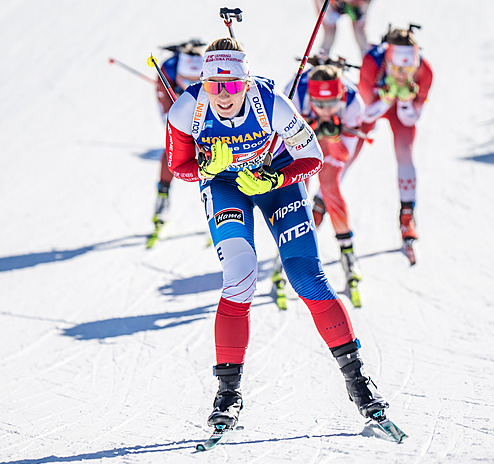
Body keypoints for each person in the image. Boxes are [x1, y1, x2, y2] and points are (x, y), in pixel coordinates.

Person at [165, 37, 389, 430]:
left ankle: (359, 383)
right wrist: (205, 167)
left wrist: (276, 176)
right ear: (203, 83)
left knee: (306, 276)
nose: (223, 95)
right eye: (214, 85)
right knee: (240, 276)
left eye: (232, 85)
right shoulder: (187, 108)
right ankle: (228, 393)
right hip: (224, 186)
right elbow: (178, 166)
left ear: (246, 82)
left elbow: (313, 156)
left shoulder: (270, 103)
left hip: (275, 180)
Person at [279, 59, 366, 307]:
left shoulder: (352, 103)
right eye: (320, 104)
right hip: (298, 139)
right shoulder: (295, 93)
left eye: (331, 104)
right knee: (297, 190)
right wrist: (312, 129)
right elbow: (283, 143)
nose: (326, 110)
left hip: (334, 145)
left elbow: (343, 155)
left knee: (330, 187)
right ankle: (286, 249)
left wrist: (335, 135)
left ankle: (348, 253)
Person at [344, 26, 433, 246]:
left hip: (398, 110)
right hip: (373, 104)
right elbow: (363, 112)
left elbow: (411, 119)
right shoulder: (372, 62)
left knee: (405, 154)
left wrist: (402, 100)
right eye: (396, 68)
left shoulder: (425, 71)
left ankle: (407, 215)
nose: (403, 75)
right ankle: (321, 202)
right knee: (349, 151)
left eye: (408, 69)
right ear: (388, 60)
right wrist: (387, 98)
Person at [150, 40, 204, 240]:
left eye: (194, 80)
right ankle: (163, 197)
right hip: (178, 108)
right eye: (186, 80)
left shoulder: (210, 74)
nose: (190, 85)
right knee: (173, 147)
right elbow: (166, 117)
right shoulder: (167, 72)